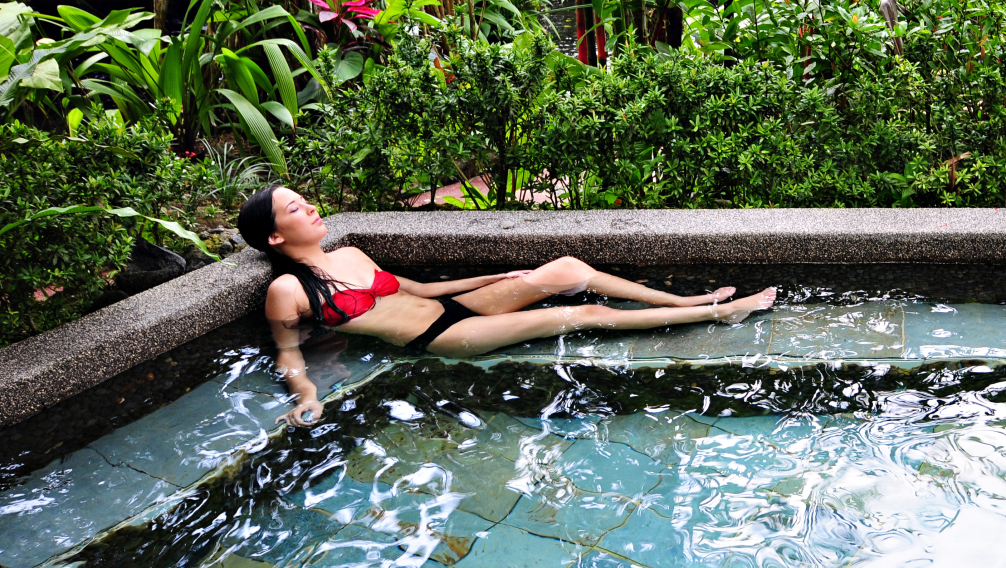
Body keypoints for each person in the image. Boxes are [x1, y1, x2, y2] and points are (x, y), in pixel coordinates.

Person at [237, 186, 776, 427]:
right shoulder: (287, 289)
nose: (309, 208)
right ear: (275, 237)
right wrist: (306, 393)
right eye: (294, 208)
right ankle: (718, 313)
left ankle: (687, 299)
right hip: (441, 338)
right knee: (581, 314)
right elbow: (288, 351)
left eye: (303, 200)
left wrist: (505, 276)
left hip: (456, 308)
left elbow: (422, 291)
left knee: (565, 268)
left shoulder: (351, 251)